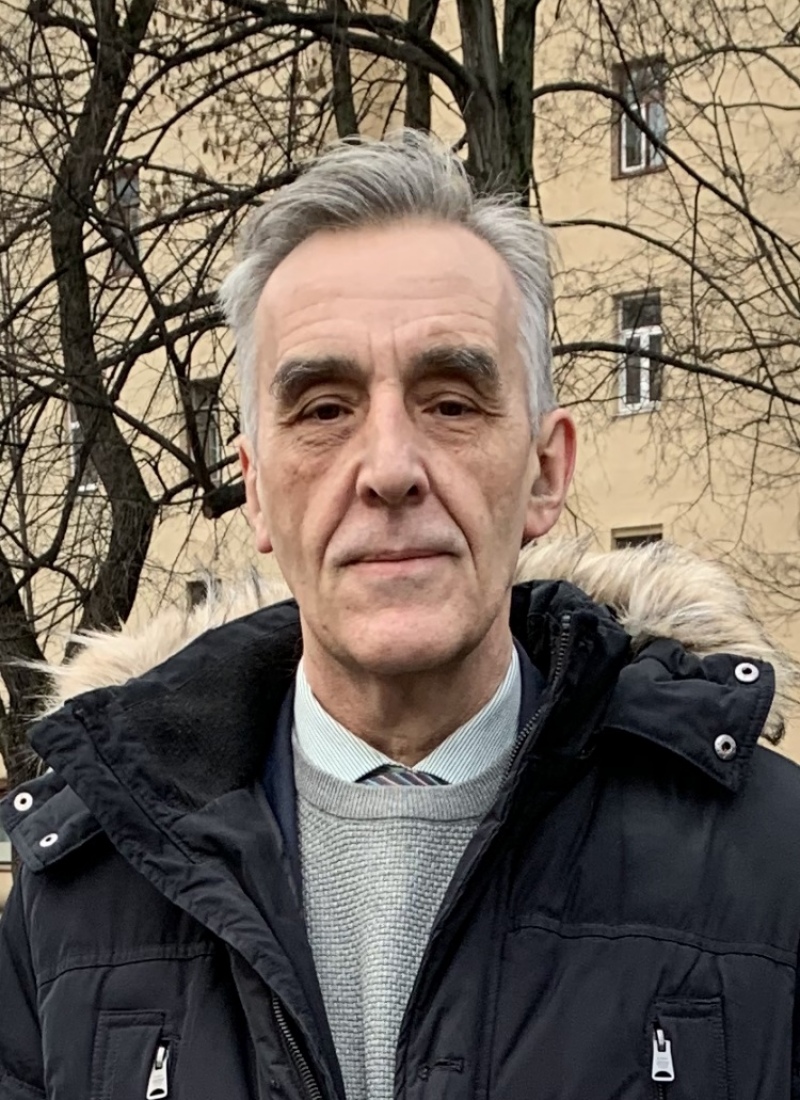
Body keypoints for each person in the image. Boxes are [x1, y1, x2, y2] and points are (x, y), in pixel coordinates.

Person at [1, 131, 799, 1100]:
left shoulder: (771, 861)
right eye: (323, 409)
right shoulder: (75, 900)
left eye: (451, 402)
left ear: (545, 471)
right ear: (255, 491)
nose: (387, 468)